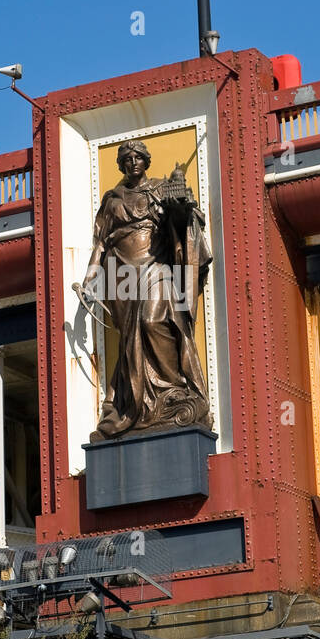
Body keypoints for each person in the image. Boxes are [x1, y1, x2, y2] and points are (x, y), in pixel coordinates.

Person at [80, 139, 213, 441]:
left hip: (155, 266)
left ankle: (173, 388)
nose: (132, 163)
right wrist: (90, 277)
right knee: (130, 340)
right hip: (121, 273)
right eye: (126, 159)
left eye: (137, 158)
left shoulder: (158, 189)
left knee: (152, 321)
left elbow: (180, 224)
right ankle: (140, 408)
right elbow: (101, 242)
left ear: (146, 161)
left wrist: (180, 208)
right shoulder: (112, 199)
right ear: (121, 165)